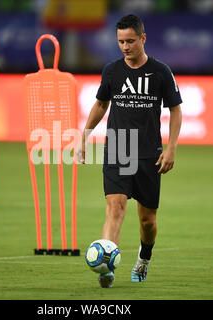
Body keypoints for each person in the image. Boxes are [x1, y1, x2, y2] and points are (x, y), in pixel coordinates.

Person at [79, 14, 183, 288]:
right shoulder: (111, 71)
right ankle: (105, 268)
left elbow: (175, 110)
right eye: (121, 42)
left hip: (150, 154)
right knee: (115, 208)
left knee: (147, 221)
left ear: (143, 39)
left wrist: (171, 147)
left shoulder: (161, 72)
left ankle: (144, 260)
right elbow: (101, 105)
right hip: (117, 149)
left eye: (130, 41)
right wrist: (84, 136)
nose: (125, 47)